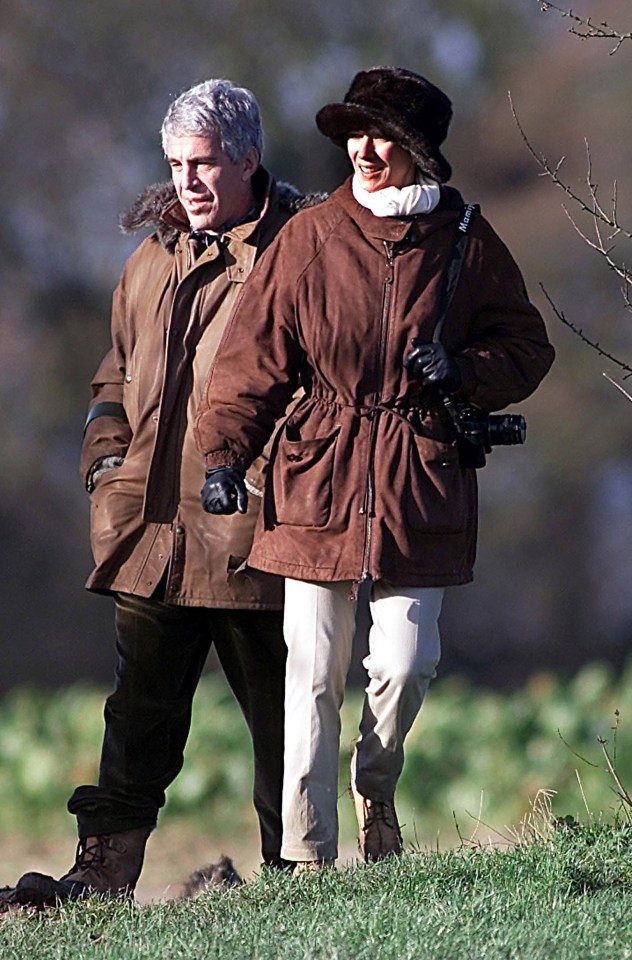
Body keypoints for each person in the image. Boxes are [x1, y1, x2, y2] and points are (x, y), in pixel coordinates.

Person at [193, 66, 556, 872]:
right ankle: (309, 856)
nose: (363, 149)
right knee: (311, 678)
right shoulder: (311, 235)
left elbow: (528, 349)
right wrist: (224, 454)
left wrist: (464, 369)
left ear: (419, 152)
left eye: (382, 135)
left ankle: (376, 786)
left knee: (406, 663)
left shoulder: (467, 239)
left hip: (418, 480)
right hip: (316, 474)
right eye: (354, 133)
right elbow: (254, 361)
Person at [11, 78, 311, 907]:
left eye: (206, 163)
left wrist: (270, 478)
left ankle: (295, 879)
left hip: (258, 536)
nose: (189, 182)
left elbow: (322, 389)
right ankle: (103, 875)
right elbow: (113, 376)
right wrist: (106, 467)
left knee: (286, 724)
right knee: (136, 720)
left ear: (250, 160)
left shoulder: (303, 253)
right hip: (149, 534)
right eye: (177, 164)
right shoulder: (149, 258)